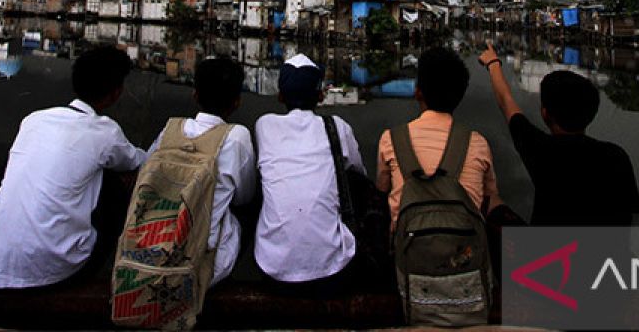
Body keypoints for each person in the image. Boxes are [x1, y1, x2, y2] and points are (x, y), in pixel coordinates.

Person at [0, 46, 147, 289]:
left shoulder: (34, 120)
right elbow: (138, 162)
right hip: (53, 274)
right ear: (116, 92)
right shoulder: (105, 131)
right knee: (115, 184)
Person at [479, 42, 639, 225]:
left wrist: (493, 62)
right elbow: (628, 216)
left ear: (545, 113)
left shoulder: (541, 150)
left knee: (492, 200)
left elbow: (505, 100)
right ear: (591, 113)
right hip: (607, 252)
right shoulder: (616, 156)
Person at [254, 53, 365, 297]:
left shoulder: (264, 126)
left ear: (280, 96)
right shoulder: (337, 126)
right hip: (334, 270)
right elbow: (359, 173)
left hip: (272, 269)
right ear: (320, 95)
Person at [144, 55, 256, 285]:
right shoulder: (237, 137)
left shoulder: (170, 129)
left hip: (152, 251)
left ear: (195, 95)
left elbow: (145, 170)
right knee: (247, 208)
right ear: (237, 102)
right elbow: (245, 197)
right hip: (200, 265)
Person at [376, 46, 502, 227]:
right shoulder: (478, 143)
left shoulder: (391, 140)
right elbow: (488, 199)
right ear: (460, 96)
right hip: (466, 250)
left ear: (418, 92)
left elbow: (381, 193)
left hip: (408, 249)